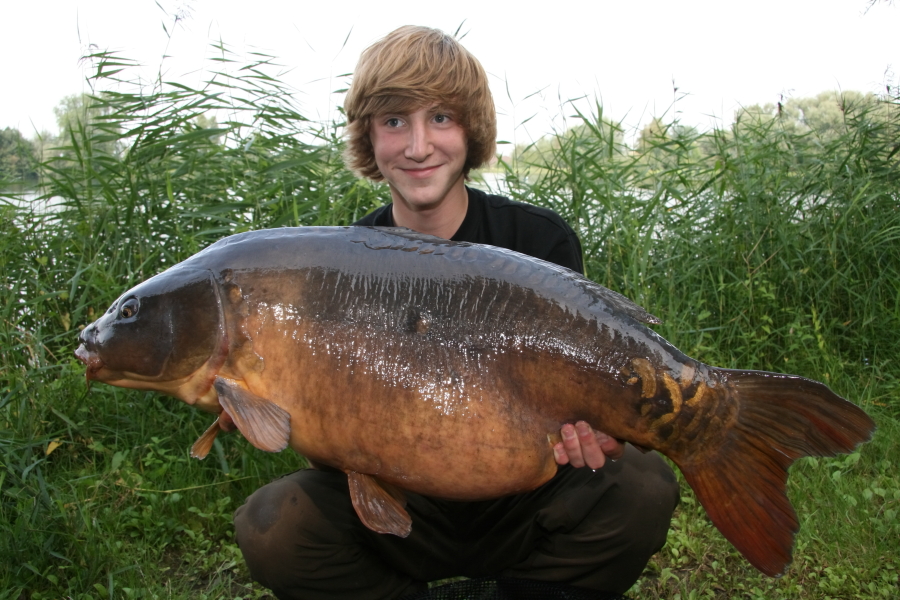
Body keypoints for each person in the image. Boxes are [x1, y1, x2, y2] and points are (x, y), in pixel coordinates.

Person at [233, 25, 679, 600]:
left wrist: (598, 430)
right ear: (369, 137)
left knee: (642, 486)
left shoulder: (538, 241)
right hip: (403, 506)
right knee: (272, 525)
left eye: (440, 118)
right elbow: (330, 433)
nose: (418, 146)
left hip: (526, 499)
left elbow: (582, 396)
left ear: (472, 130)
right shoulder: (338, 265)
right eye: (395, 121)